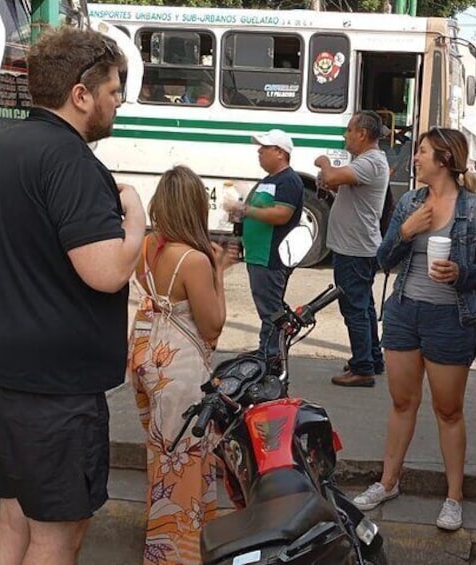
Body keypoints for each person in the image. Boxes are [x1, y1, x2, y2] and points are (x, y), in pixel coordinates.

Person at [0, 28, 144, 565]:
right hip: (46, 396)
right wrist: (136, 219)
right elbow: (105, 271)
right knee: (57, 537)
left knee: (15, 521)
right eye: (112, 88)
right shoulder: (72, 161)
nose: (118, 100)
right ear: (80, 95)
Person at [351, 127, 476, 530]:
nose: (414, 158)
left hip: (450, 319)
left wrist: (462, 271)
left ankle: (454, 497)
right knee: (402, 403)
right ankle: (388, 482)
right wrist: (405, 231)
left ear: (445, 159)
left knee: (448, 410)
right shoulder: (409, 203)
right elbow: (383, 259)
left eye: (421, 152)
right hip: (404, 312)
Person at [128, 166, 236, 565]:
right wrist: (220, 273)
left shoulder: (146, 247)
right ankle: (175, 555)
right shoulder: (192, 259)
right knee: (185, 463)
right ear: (195, 207)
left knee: (162, 453)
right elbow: (212, 326)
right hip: (180, 372)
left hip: (147, 359)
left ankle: (180, 538)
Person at [315, 110, 389, 387]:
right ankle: (370, 357)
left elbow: (333, 177)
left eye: (349, 130)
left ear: (361, 134)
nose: (345, 135)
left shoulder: (370, 162)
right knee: (364, 306)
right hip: (356, 246)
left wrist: (323, 162)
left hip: (355, 249)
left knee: (354, 308)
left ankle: (362, 367)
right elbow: (339, 187)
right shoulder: (366, 162)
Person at [228, 129, 304, 360]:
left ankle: (271, 356)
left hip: (271, 256)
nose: (259, 152)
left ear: (280, 153)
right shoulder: (268, 181)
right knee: (267, 307)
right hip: (258, 254)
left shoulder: (289, 181)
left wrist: (245, 210)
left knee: (270, 309)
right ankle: (267, 350)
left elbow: (281, 215)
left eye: (265, 148)